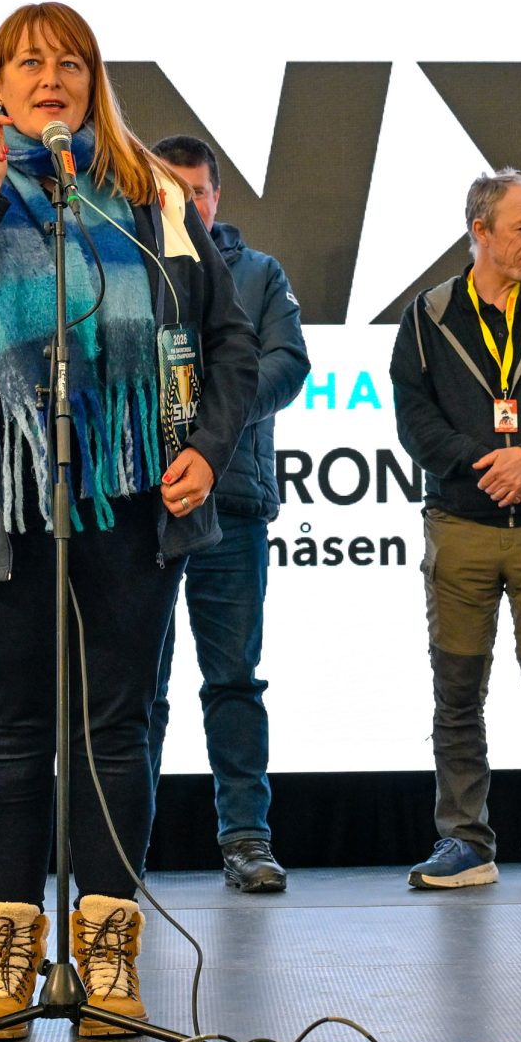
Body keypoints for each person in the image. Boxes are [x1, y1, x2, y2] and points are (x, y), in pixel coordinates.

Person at [0, 2, 257, 1041]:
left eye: (69, 62)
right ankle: (8, 962)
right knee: (8, 733)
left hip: (132, 503)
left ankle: (107, 953)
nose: (49, 77)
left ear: (95, 82)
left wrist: (205, 448)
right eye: (27, 63)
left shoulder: (150, 193)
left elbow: (230, 341)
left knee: (114, 732)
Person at [390, 168, 521, 892]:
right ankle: (464, 840)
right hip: (460, 524)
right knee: (456, 692)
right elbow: (414, 419)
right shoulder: (427, 316)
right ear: (479, 231)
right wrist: (483, 465)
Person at [145, 134, 310, 893]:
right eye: (171, 190)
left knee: (233, 680)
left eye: (198, 191)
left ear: (217, 197)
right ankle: (123, 850)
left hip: (231, 501)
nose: (187, 203)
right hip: (142, 505)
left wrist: (211, 417)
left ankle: (247, 839)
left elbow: (286, 365)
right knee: (136, 690)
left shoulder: (259, 273)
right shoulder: (127, 267)